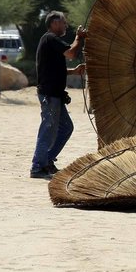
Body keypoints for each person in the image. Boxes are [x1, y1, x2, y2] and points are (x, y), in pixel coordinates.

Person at [30, 11, 86, 179]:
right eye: (63, 23)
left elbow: (53, 69)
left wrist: (73, 71)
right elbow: (71, 53)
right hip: (50, 94)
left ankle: (46, 160)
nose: (65, 26)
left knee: (66, 127)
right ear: (54, 23)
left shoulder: (50, 42)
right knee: (48, 129)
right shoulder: (50, 38)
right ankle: (37, 166)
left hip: (56, 95)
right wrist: (79, 37)